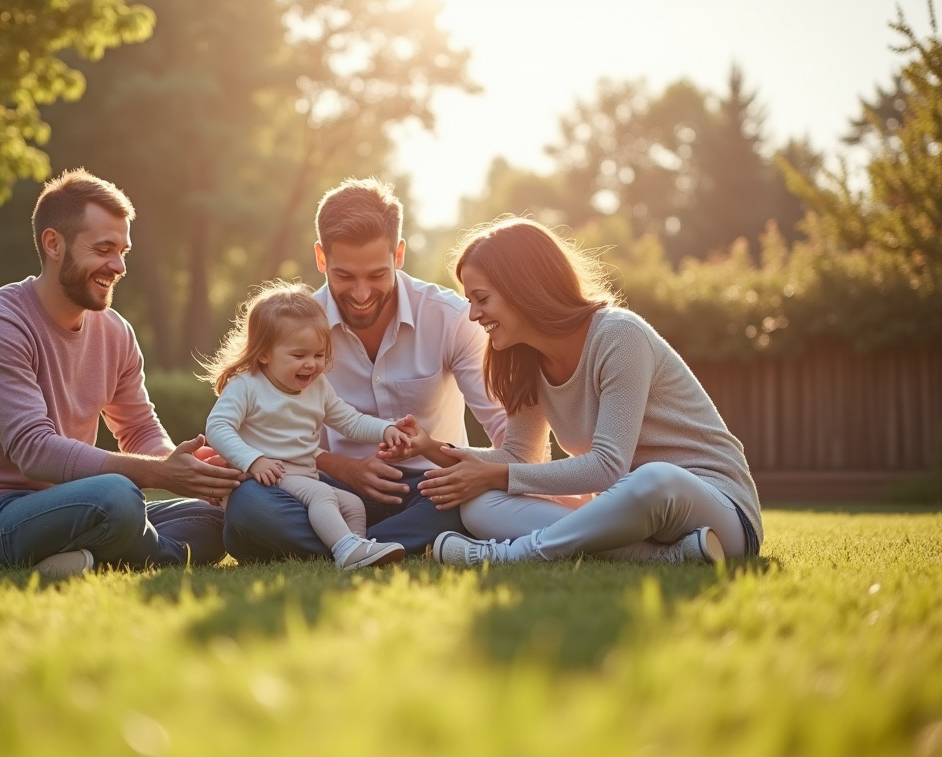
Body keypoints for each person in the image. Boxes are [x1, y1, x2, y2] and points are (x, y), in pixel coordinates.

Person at [387, 217, 762, 566]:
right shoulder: (526, 362)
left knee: (654, 478)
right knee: (479, 506)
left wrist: (494, 475)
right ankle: (666, 556)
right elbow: (519, 456)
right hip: (633, 515)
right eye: (470, 301)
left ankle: (510, 555)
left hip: (718, 511)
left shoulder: (619, 335)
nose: (473, 315)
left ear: (522, 287)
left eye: (481, 299)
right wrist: (428, 447)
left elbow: (608, 467)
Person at [0, 168, 243, 577]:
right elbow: (33, 449)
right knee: (117, 496)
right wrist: (158, 473)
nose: (118, 266)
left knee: (218, 518)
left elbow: (139, 431)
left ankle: (88, 561)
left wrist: (190, 468)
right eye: (103, 249)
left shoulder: (115, 331)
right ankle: (130, 552)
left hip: (78, 504)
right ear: (53, 244)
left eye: (123, 251)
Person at [222, 178, 507, 562]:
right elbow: (263, 432)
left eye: (376, 275)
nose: (360, 294)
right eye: (343, 276)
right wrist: (344, 467)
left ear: (398, 254)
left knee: (471, 499)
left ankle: (341, 546)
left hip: (429, 489)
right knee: (250, 503)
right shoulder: (294, 327)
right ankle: (365, 545)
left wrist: (491, 475)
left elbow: (504, 431)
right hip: (326, 486)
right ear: (321, 259)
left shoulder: (451, 319)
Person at [202, 281, 413, 569]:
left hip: (303, 476)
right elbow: (217, 427)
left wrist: (386, 429)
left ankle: (357, 550)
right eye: (298, 356)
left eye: (318, 355)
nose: (311, 365)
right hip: (266, 479)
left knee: (352, 504)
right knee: (323, 494)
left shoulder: (318, 387)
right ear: (264, 353)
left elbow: (349, 420)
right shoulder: (247, 386)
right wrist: (254, 461)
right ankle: (344, 548)